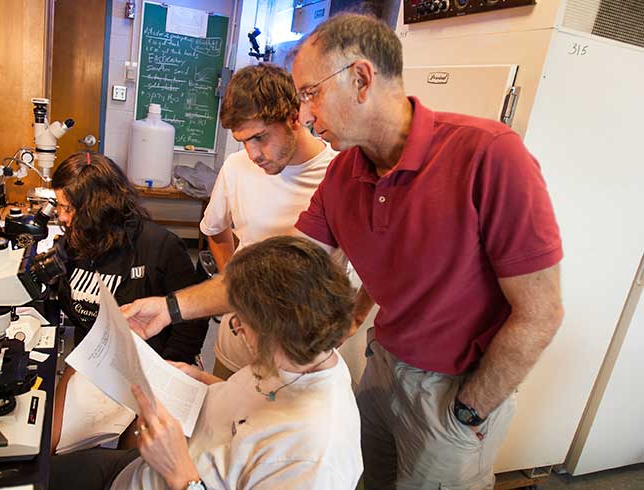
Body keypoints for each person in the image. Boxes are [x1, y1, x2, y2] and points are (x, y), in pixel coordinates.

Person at [123, 13, 566, 490]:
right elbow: (275, 277)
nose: (306, 115)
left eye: (311, 93)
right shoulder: (345, 175)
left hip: (455, 390)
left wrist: (468, 409)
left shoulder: (489, 155)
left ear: (361, 79)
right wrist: (170, 308)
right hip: (384, 365)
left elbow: (540, 313)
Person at [50, 236, 363, 490]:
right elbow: (254, 409)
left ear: (275, 333)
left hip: (170, 470)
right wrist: (198, 379)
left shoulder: (314, 460)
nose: (236, 328)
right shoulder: (296, 358)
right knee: (29, 474)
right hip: (139, 471)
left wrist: (181, 475)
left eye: (241, 321)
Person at [49, 151, 208, 451]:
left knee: (131, 459)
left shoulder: (160, 247)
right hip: (94, 363)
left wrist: (167, 371)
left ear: (97, 209)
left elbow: (191, 321)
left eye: (69, 209)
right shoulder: (73, 243)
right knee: (53, 450)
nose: (61, 217)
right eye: (59, 206)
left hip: (150, 370)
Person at [200, 63, 338, 378]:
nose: (252, 153)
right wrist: (236, 287)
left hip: (303, 353)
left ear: (294, 117)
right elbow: (216, 231)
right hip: (238, 342)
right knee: (224, 418)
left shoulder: (338, 173)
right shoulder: (236, 168)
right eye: (243, 141)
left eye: (260, 137)